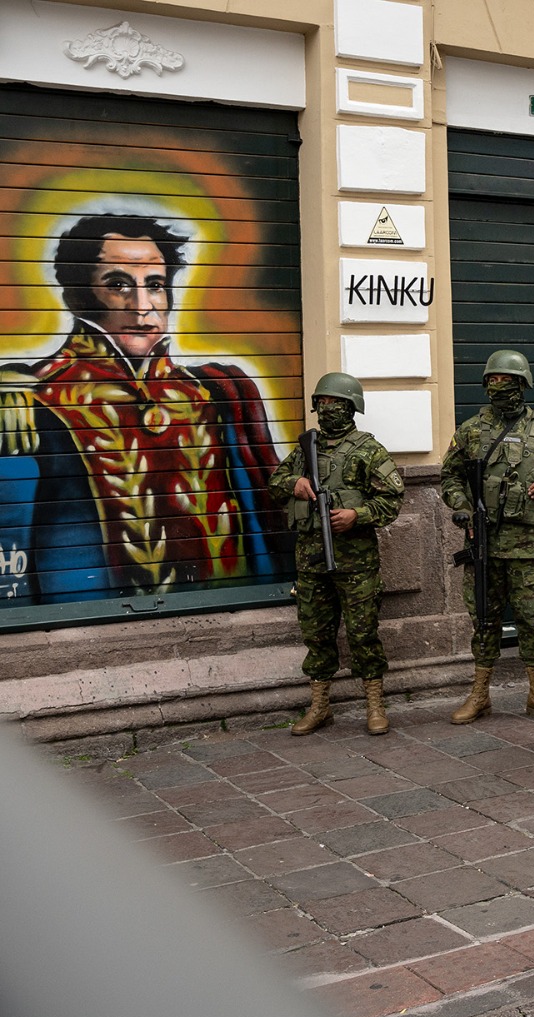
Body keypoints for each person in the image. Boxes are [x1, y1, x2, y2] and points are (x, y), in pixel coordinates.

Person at [0, 214, 282, 604]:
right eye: (118, 285)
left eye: (156, 285)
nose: (143, 306)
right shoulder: (30, 398)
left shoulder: (219, 389)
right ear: (76, 295)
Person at [441, 350, 534, 726]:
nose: (499, 388)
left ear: (523, 384)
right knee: (484, 622)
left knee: (530, 620)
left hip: (529, 547)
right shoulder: (471, 429)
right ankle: (479, 694)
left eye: (507, 381)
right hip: (483, 546)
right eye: (492, 381)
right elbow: (449, 476)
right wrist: (461, 507)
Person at [267, 373, 404, 736]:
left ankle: (374, 705)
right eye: (323, 403)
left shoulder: (367, 451)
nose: (328, 410)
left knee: (363, 634)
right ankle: (320, 705)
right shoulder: (304, 451)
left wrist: (356, 515)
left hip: (356, 562)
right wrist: (293, 483)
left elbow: (392, 500)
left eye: (336, 403)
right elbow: (274, 483)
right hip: (311, 560)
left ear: (351, 407)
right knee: (316, 633)